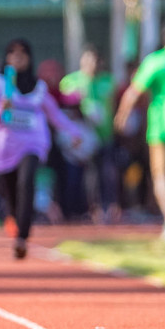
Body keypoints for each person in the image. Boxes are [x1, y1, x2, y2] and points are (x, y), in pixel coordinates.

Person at [0, 39, 88, 258]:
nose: (18, 58)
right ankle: (16, 222)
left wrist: (74, 132)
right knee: (12, 194)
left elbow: (54, 114)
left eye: (23, 54)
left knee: (27, 182)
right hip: (5, 147)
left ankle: (22, 237)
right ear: (7, 58)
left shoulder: (38, 87)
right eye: (13, 54)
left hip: (33, 143)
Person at [114, 17, 165, 242]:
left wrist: (121, 116)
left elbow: (133, 92)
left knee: (160, 177)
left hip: (161, 129)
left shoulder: (156, 61)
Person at [61, 43, 117, 222]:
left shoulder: (108, 81)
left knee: (104, 176)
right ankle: (80, 210)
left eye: (95, 60)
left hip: (103, 137)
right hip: (80, 141)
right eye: (88, 59)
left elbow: (113, 108)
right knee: (77, 177)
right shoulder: (71, 82)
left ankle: (104, 210)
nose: (92, 64)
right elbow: (66, 111)